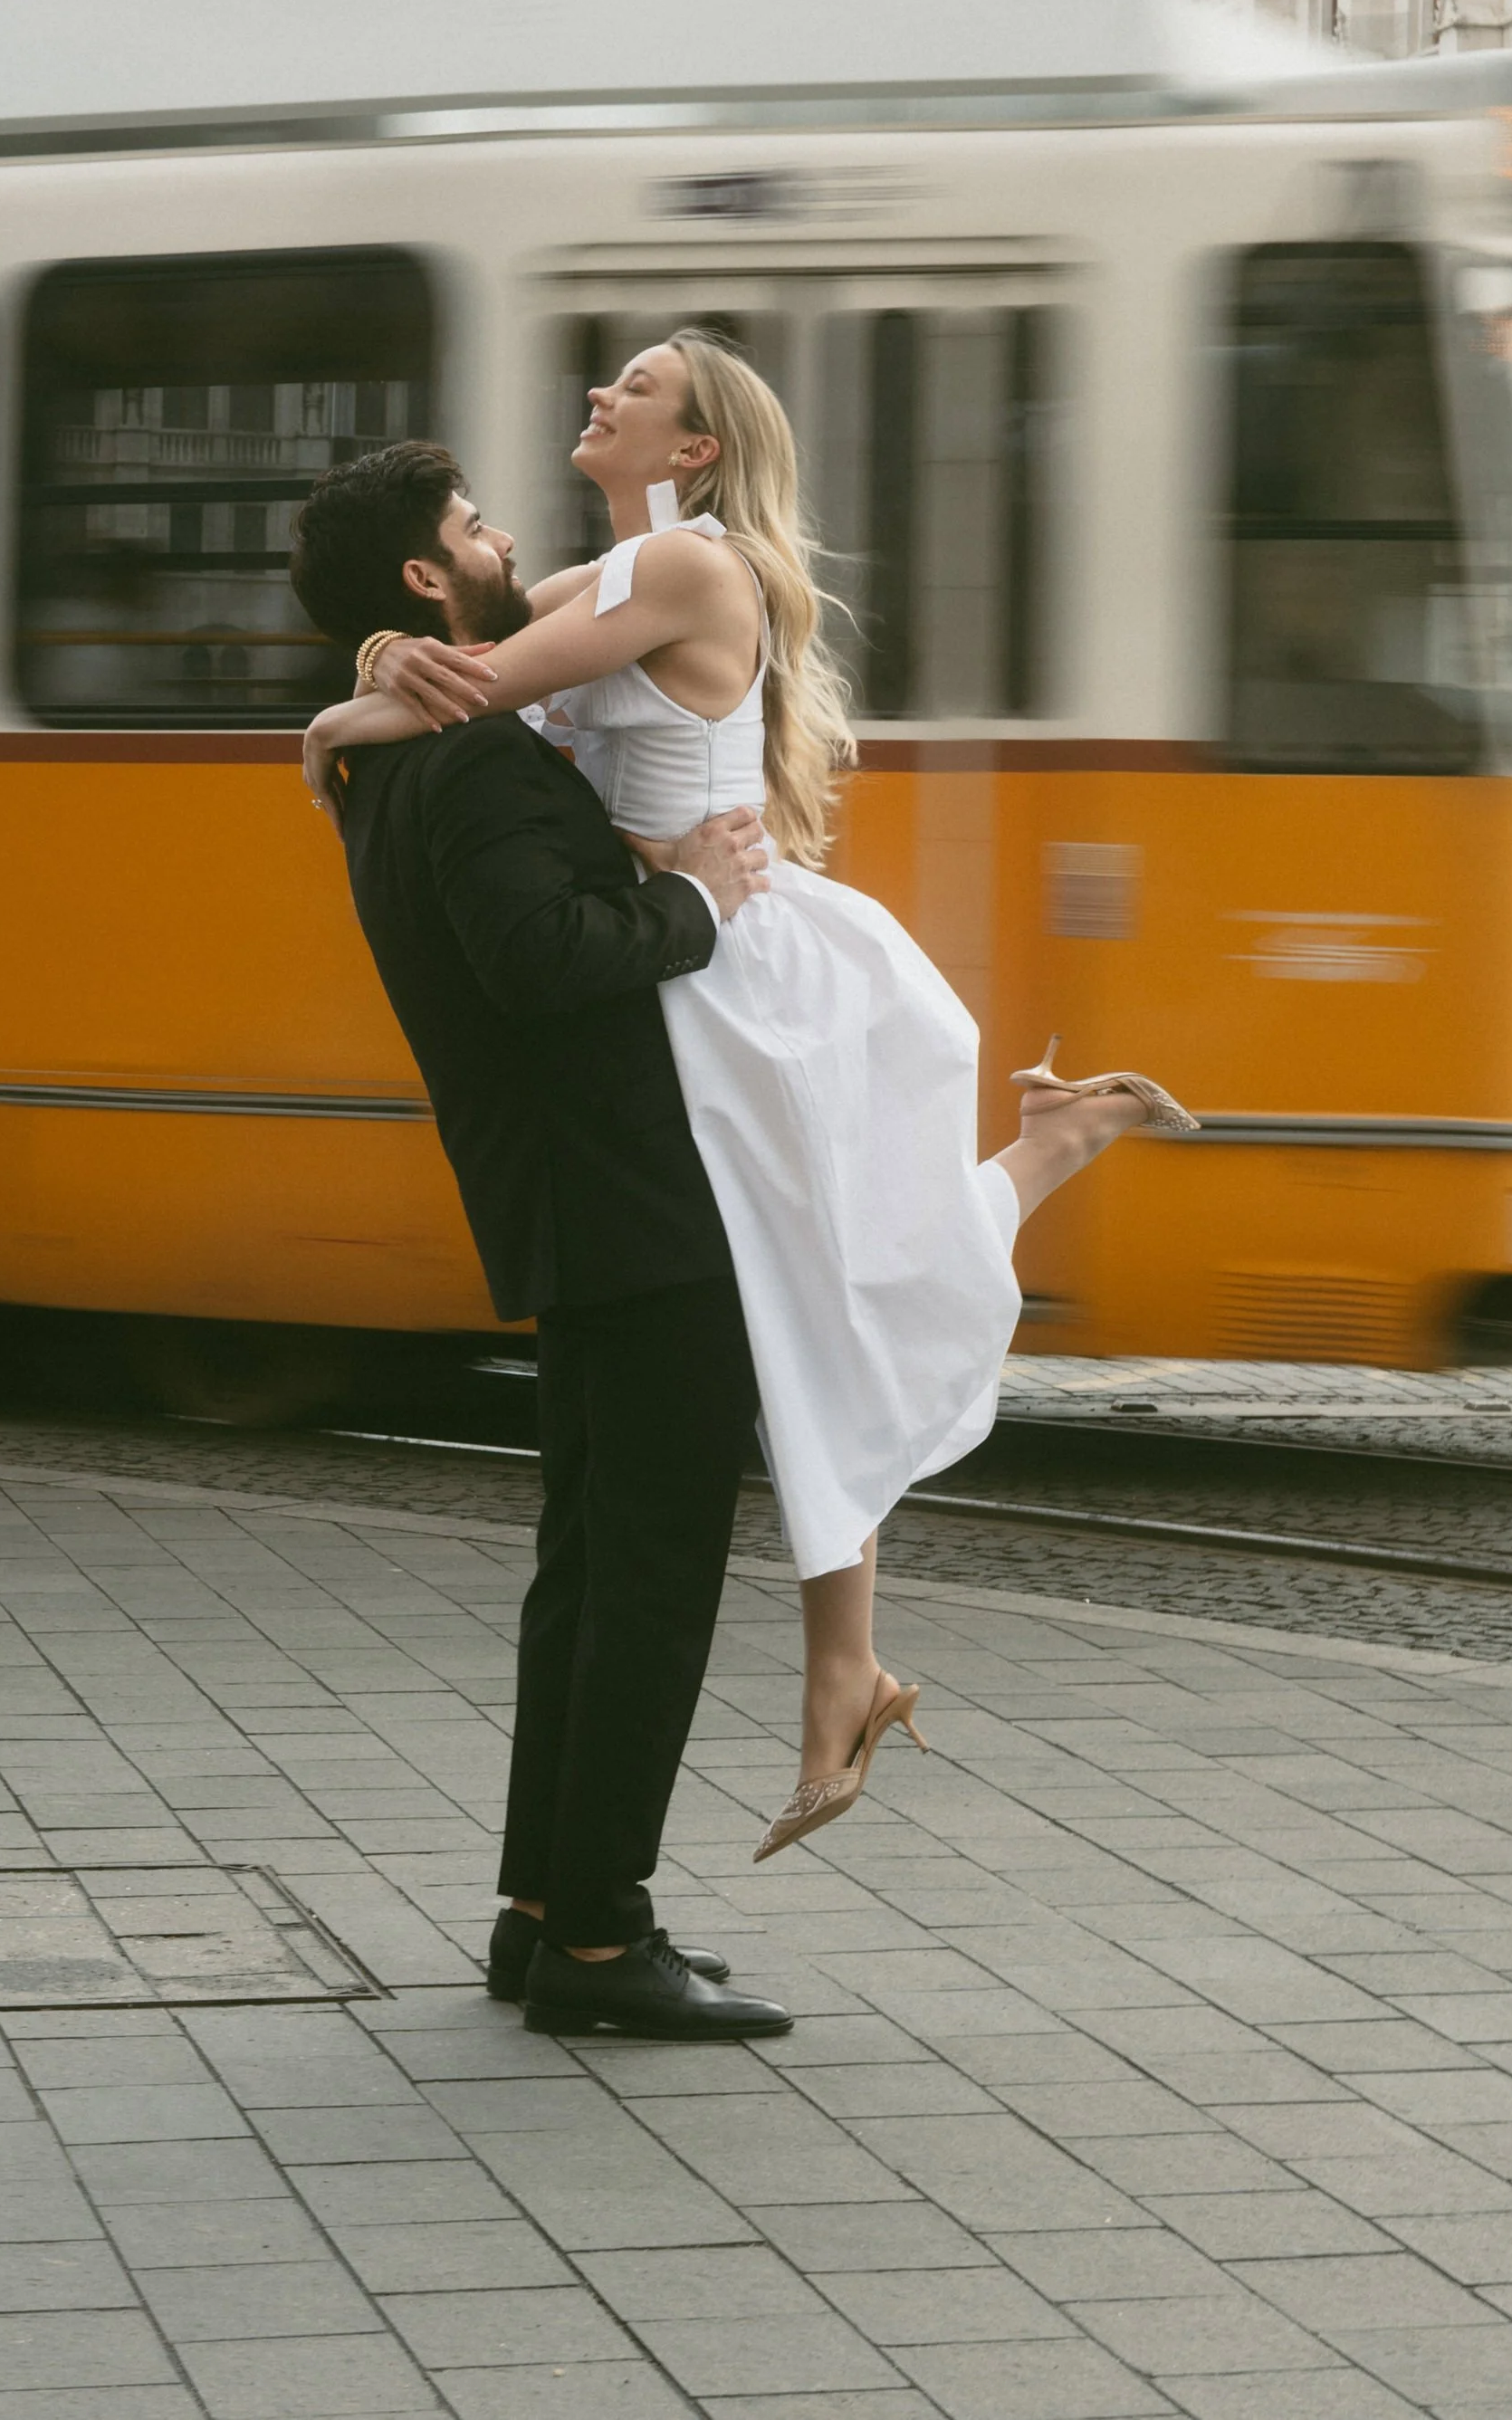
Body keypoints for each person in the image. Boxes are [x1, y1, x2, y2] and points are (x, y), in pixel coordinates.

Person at [303, 336, 1196, 1864]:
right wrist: (391, 657)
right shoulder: (613, 570)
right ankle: (836, 1677)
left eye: (637, 386)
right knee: (811, 1312)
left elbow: (475, 683)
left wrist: (344, 711)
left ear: (698, 447)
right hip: (687, 983)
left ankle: (833, 1673)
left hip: (744, 975)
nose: (599, 394)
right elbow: (475, 656)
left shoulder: (694, 572)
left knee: (824, 1307)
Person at [289, 439, 796, 2043]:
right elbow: (540, 955)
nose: (506, 539)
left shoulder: (406, 753)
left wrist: (368, 673)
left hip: (576, 1201)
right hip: (634, 1201)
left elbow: (583, 610)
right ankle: (598, 1941)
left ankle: (540, 1911)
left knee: (587, 1571)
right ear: (433, 578)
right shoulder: (479, 763)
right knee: (646, 1577)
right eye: (472, 528)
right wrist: (702, 899)